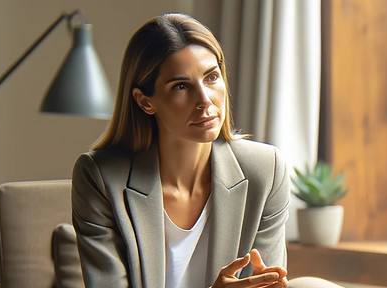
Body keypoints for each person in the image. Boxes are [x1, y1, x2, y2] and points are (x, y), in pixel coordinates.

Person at [72, 13, 289, 288]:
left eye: (211, 77)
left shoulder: (265, 170)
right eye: (181, 86)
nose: (205, 100)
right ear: (144, 101)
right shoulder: (101, 178)